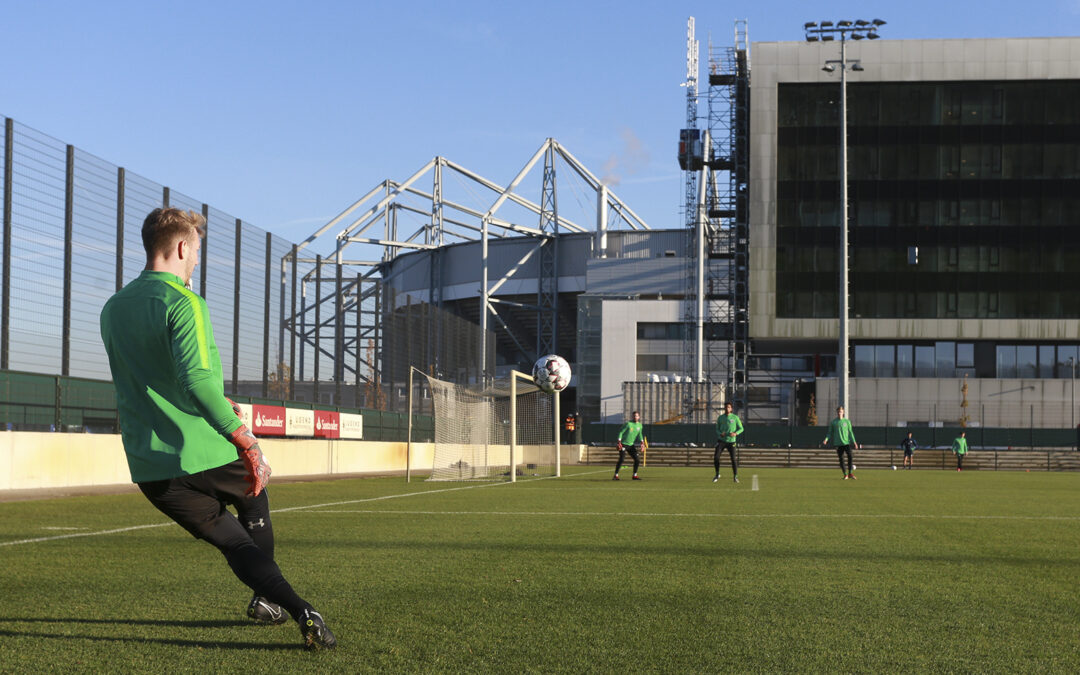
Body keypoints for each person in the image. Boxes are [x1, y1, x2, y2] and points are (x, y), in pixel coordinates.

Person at [99, 208, 336, 650]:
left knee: (234, 544)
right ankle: (269, 599)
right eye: (197, 251)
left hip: (152, 467)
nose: (197, 261)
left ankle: (297, 608)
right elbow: (196, 382)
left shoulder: (112, 308)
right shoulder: (184, 301)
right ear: (183, 247)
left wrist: (212, 398)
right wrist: (244, 438)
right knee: (254, 497)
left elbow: (155, 377)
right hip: (208, 448)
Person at [823, 405, 859, 480]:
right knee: (841, 459)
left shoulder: (847, 421)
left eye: (841, 412)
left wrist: (854, 442)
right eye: (839, 412)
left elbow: (851, 432)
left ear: (843, 412)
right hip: (838, 444)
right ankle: (845, 474)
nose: (840, 413)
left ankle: (850, 473)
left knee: (850, 456)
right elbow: (830, 433)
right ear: (837, 412)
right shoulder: (834, 422)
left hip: (846, 443)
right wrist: (826, 439)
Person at [713, 401, 744, 484]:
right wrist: (720, 433)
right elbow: (717, 429)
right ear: (724, 408)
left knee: (733, 459)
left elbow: (741, 428)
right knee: (716, 457)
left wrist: (735, 433)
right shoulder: (720, 418)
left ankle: (735, 477)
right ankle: (717, 474)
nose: (727, 408)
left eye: (729, 407)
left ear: (731, 409)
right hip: (721, 441)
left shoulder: (735, 417)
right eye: (726, 407)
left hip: (731, 442)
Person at [613, 411, 645, 480]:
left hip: (631, 445)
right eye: (634, 416)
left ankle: (634, 475)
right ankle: (616, 475)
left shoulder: (640, 425)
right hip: (623, 444)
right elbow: (621, 432)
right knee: (621, 459)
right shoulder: (628, 424)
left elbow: (640, 435)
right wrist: (619, 442)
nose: (635, 417)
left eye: (636, 416)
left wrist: (642, 443)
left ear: (639, 417)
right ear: (632, 417)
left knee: (637, 459)